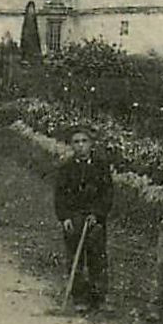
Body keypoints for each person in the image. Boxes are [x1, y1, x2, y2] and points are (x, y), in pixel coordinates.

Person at [53, 127, 113, 312]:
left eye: (84, 141)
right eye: (76, 142)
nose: (80, 146)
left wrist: (97, 215)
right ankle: (78, 296)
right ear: (72, 145)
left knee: (97, 257)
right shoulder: (66, 168)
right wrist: (64, 218)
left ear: (91, 144)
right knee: (74, 257)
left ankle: (98, 297)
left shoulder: (100, 167)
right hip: (74, 217)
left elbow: (107, 194)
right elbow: (59, 196)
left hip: (95, 218)